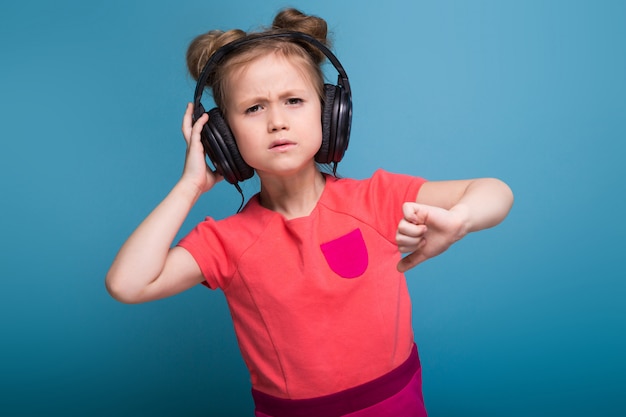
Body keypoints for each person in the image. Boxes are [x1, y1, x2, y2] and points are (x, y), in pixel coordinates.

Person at [106, 7, 513, 417]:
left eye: (294, 100)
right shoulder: (226, 242)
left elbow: (494, 192)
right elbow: (128, 284)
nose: (277, 122)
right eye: (253, 108)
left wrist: (459, 221)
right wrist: (188, 187)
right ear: (222, 136)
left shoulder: (377, 199)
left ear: (329, 114)